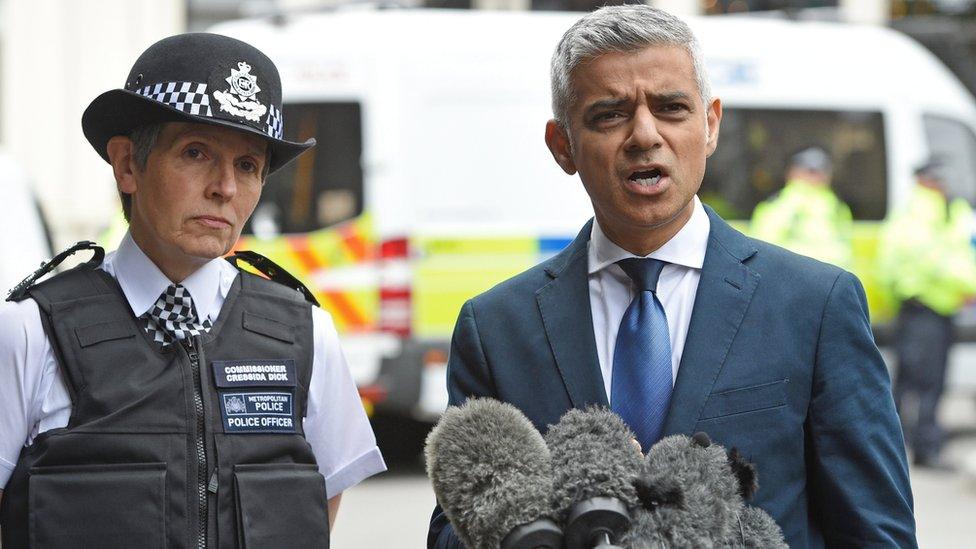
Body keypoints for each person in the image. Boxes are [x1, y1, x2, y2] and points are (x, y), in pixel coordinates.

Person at [428, 6, 915, 548]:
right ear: (562, 144)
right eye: (609, 115)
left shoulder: (816, 305)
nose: (644, 135)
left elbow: (877, 532)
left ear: (710, 124)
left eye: (671, 108)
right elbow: (452, 529)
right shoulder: (496, 327)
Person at [0, 33, 386, 547]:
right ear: (127, 165)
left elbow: (318, 505)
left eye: (247, 165)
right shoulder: (31, 331)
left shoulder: (304, 330)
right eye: (196, 152)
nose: (224, 187)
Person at [878, 160, 976, 470]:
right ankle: (921, 448)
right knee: (924, 382)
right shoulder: (923, 214)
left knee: (911, 381)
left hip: (931, 307)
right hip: (926, 307)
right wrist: (969, 283)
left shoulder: (942, 210)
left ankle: (899, 447)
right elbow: (936, 261)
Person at [750, 146, 854, 269]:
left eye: (820, 171)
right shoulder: (780, 203)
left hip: (831, 278)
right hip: (794, 278)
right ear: (792, 173)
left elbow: (845, 244)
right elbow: (765, 247)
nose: (815, 177)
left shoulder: (836, 204)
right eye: (809, 171)